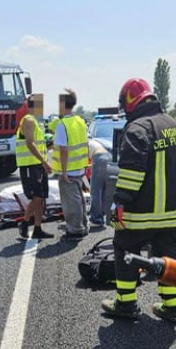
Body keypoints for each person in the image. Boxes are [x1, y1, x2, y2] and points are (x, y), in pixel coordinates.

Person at [101, 78, 176, 323]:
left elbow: (131, 172)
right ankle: (173, 307)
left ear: (129, 101)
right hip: (173, 213)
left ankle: (126, 303)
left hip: (141, 213)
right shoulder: (175, 125)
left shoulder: (137, 128)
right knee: (167, 256)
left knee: (125, 250)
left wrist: (119, 203)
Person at [54, 89, 90, 241]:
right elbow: (86, 143)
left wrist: (63, 171)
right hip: (80, 166)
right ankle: (83, 224)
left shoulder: (63, 124)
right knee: (79, 197)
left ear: (62, 105)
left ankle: (75, 229)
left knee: (71, 201)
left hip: (69, 169)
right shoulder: (80, 121)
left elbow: (63, 149)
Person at [15, 113, 54, 240]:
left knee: (41, 197)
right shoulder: (28, 121)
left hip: (37, 165)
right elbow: (30, 143)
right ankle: (24, 222)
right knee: (37, 197)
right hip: (29, 165)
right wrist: (44, 161)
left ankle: (37, 228)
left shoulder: (36, 123)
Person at [88, 138, 112, 226]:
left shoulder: (84, 143)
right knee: (103, 189)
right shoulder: (96, 142)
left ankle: (96, 219)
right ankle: (102, 214)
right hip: (108, 157)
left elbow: (83, 160)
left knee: (96, 190)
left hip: (99, 158)